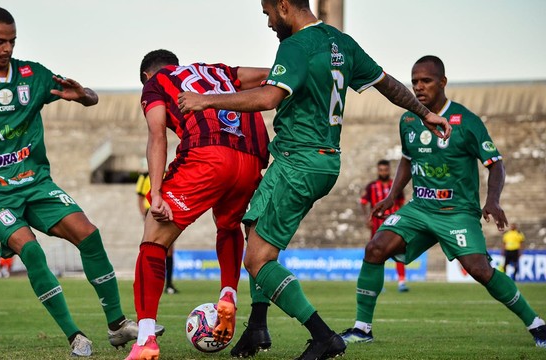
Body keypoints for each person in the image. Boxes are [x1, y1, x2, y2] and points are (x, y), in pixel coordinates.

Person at [178, 1, 451, 359]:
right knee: (253, 227)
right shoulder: (342, 43)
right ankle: (257, 326)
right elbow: (387, 84)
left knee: (258, 261)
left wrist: (207, 101)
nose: (268, 21)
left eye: (268, 13)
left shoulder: (294, 46)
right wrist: (426, 112)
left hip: (299, 160)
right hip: (319, 160)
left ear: (284, 6)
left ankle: (323, 337)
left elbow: (268, 97)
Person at [0, 6, 163, 356]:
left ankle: (117, 325)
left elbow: (91, 97)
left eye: (11, 41)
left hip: (35, 184)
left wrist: (84, 95)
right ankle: (74, 335)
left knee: (89, 234)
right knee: (32, 251)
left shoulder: (33, 75)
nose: (6, 48)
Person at [339, 55, 546, 349]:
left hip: (457, 212)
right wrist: (391, 195)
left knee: (480, 270)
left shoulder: (466, 121)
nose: (419, 87)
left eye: (426, 81)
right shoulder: (409, 119)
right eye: (414, 82)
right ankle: (362, 329)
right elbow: (408, 161)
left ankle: (537, 326)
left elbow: (495, 164)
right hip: (420, 209)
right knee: (375, 248)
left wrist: (493, 201)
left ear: (443, 82)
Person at [126, 49, 270, 360]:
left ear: (145, 77)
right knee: (228, 225)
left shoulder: (155, 83)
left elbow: (157, 136)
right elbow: (269, 75)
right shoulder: (216, 71)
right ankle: (228, 295)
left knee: (153, 239)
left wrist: (158, 193)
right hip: (251, 159)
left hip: (208, 156)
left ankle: (146, 338)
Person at [360, 159, 408, 292]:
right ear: (378, 170)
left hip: (394, 226)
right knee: (377, 254)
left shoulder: (395, 186)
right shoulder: (371, 186)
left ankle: (402, 282)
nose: (383, 172)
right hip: (377, 227)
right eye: (381, 170)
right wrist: (367, 218)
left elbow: (401, 203)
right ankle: (379, 284)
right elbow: (363, 202)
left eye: (385, 170)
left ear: (389, 170)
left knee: (399, 251)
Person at [135, 172, 177, 294]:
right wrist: (144, 214)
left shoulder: (168, 173)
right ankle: (146, 284)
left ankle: (168, 284)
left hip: (167, 210)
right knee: (149, 246)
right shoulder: (144, 176)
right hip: (152, 210)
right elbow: (140, 197)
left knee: (169, 249)